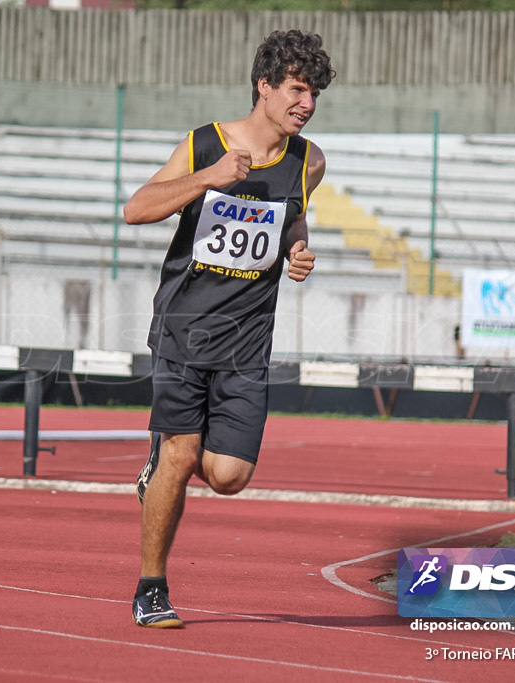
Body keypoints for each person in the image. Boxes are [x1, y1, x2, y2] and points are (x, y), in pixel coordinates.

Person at [122, 29, 335, 629]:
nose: (307, 103)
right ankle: (151, 588)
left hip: (247, 342)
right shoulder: (205, 144)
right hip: (184, 331)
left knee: (228, 476)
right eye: (297, 88)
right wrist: (207, 177)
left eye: (314, 92)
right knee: (182, 455)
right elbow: (136, 207)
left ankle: (164, 461)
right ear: (264, 86)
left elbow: (292, 222)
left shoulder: (308, 161)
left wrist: (299, 251)